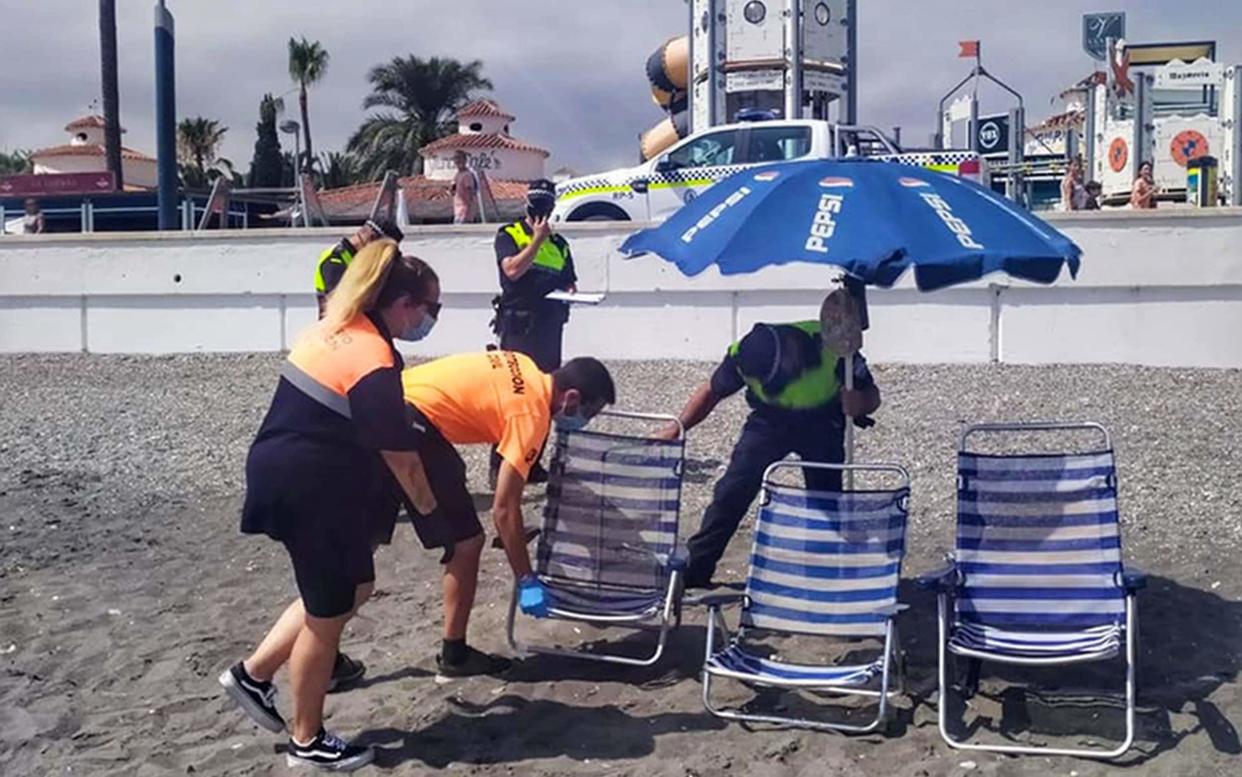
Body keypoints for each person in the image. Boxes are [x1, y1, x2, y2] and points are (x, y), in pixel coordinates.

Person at [220, 239, 442, 771]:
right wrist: (436, 521)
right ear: (403, 304)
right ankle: (307, 740)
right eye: (432, 309)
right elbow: (402, 460)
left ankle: (252, 676)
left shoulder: (334, 326)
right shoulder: (372, 357)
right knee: (328, 612)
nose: (433, 319)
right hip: (307, 487)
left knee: (354, 587)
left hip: (290, 472)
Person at [401, 352, 616, 677]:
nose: (584, 419)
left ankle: (326, 652)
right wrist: (526, 578)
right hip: (413, 424)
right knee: (468, 541)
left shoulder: (526, 364)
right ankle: (454, 654)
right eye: (588, 411)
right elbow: (503, 508)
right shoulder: (532, 415)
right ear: (571, 397)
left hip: (385, 401)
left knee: (363, 542)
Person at [658, 319, 881, 588]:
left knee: (826, 500)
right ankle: (697, 569)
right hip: (769, 421)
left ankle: (825, 571)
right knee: (732, 491)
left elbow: (872, 396)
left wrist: (860, 404)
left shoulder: (836, 345)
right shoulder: (743, 354)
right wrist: (678, 427)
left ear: (792, 353)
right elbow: (712, 391)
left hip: (822, 421)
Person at [490, 179, 577, 482]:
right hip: (518, 327)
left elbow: (569, 281)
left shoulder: (561, 245)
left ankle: (532, 461)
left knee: (545, 397)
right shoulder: (509, 234)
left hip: (550, 328)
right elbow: (512, 270)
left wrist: (571, 291)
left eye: (546, 203)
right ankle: (500, 466)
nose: (541, 209)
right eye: (536, 202)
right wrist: (537, 240)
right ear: (527, 203)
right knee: (512, 396)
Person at [313, 218, 404, 317]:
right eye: (383, 250)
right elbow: (344, 304)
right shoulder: (335, 261)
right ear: (371, 240)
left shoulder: (356, 259)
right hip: (338, 329)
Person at [451, 151, 479, 224]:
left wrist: (468, 209)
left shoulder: (467, 175)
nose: (457, 161)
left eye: (459, 159)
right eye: (456, 159)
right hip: (458, 210)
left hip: (464, 212)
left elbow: (470, 191)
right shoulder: (457, 175)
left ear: (465, 161)